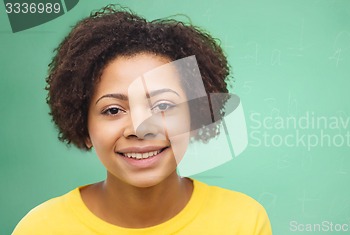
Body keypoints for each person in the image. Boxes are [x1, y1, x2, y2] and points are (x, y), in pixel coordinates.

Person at [13, 5, 272, 235]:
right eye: (113, 110)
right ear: (83, 126)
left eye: (162, 105)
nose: (140, 128)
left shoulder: (243, 222)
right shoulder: (41, 228)